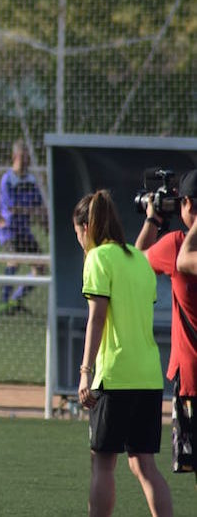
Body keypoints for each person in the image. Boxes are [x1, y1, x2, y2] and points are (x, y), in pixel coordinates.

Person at [73, 190, 173, 517]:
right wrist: (151, 221)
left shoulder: (97, 259)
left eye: (77, 233)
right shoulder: (137, 259)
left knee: (102, 462)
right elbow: (137, 251)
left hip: (114, 375)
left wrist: (85, 371)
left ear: (86, 227)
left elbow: (97, 316)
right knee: (145, 465)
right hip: (148, 374)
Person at [138, 169, 197, 482]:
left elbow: (134, 262)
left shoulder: (176, 245)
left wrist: (153, 220)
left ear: (185, 203)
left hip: (192, 380)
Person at [0, 140, 47, 314]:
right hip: (9, 230)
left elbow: (39, 205)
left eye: (28, 156)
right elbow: (12, 207)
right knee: (14, 260)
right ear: (14, 157)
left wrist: (44, 223)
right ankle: (4, 303)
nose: (26, 160)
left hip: (24, 231)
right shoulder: (7, 179)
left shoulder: (31, 179)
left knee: (40, 268)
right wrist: (32, 210)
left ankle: (14, 300)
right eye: (23, 156)